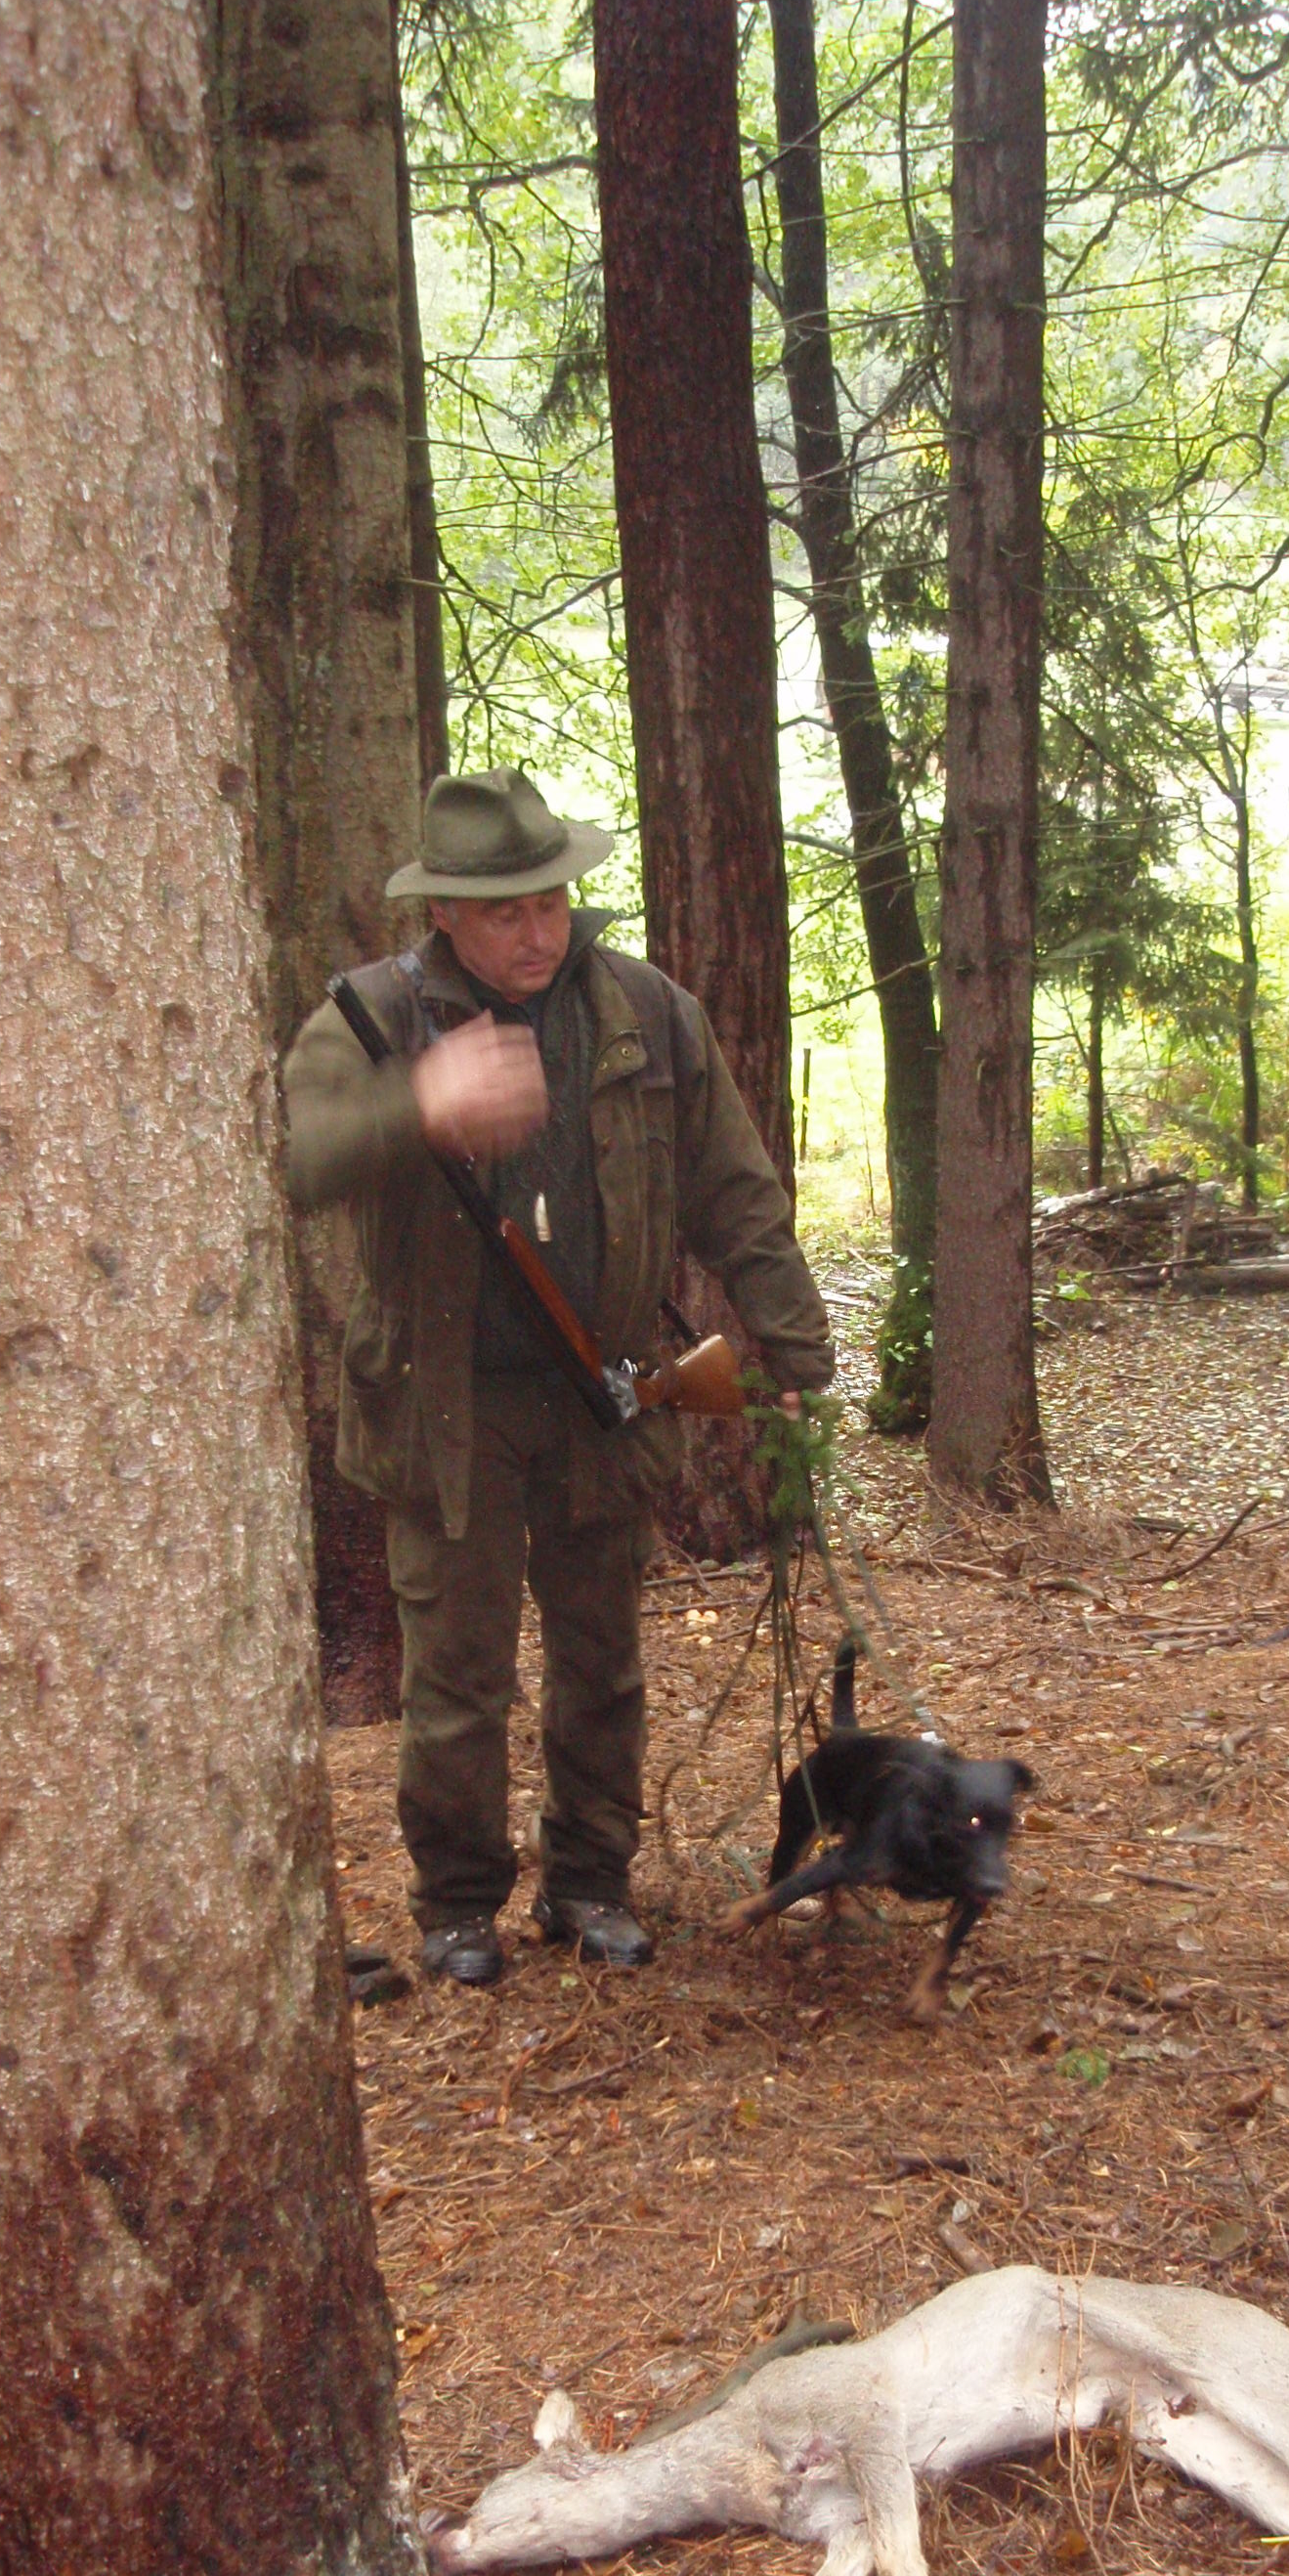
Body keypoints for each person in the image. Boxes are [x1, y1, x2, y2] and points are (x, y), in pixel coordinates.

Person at [283, 767, 834, 1985]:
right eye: (503, 912)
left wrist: (798, 1355)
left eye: (550, 902)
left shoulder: (648, 1011)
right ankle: (461, 1904)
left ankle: (590, 1885)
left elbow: (738, 1193)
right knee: (458, 1678)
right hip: (445, 1410)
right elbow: (297, 1158)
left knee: (602, 1663)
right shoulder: (370, 1022)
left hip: (611, 1396)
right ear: (443, 914)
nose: (537, 933)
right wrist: (418, 1104)